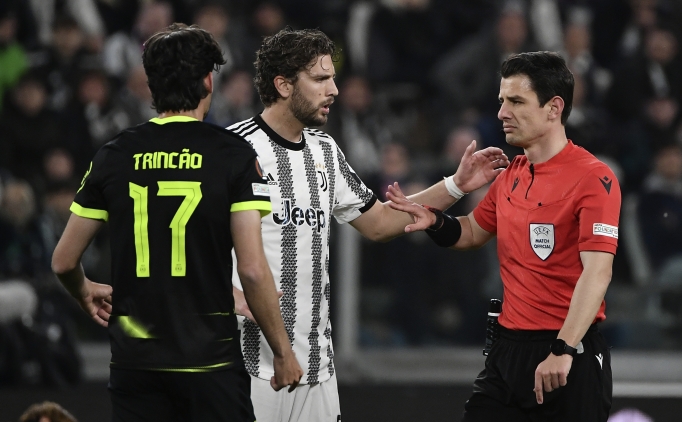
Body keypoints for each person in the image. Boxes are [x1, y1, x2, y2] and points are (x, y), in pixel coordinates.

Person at [229, 27, 509, 422]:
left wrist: (455, 185)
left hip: (317, 369)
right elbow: (186, 245)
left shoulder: (325, 150)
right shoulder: (233, 150)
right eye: (320, 79)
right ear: (283, 85)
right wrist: (229, 295)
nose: (334, 90)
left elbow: (379, 222)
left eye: (333, 79)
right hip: (249, 368)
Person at [51, 23, 302, 422]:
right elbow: (253, 270)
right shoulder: (232, 155)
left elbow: (64, 261)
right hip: (209, 362)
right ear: (207, 81)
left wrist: (83, 290)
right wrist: (283, 354)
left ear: (152, 86)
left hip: (136, 362)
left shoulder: (115, 154)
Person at [387, 51, 621, 421]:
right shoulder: (511, 173)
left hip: (567, 351)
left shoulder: (594, 178)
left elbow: (598, 272)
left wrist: (563, 349)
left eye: (516, 101)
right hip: (507, 351)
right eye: (501, 101)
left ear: (553, 108)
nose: (501, 113)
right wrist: (434, 220)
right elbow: (471, 232)